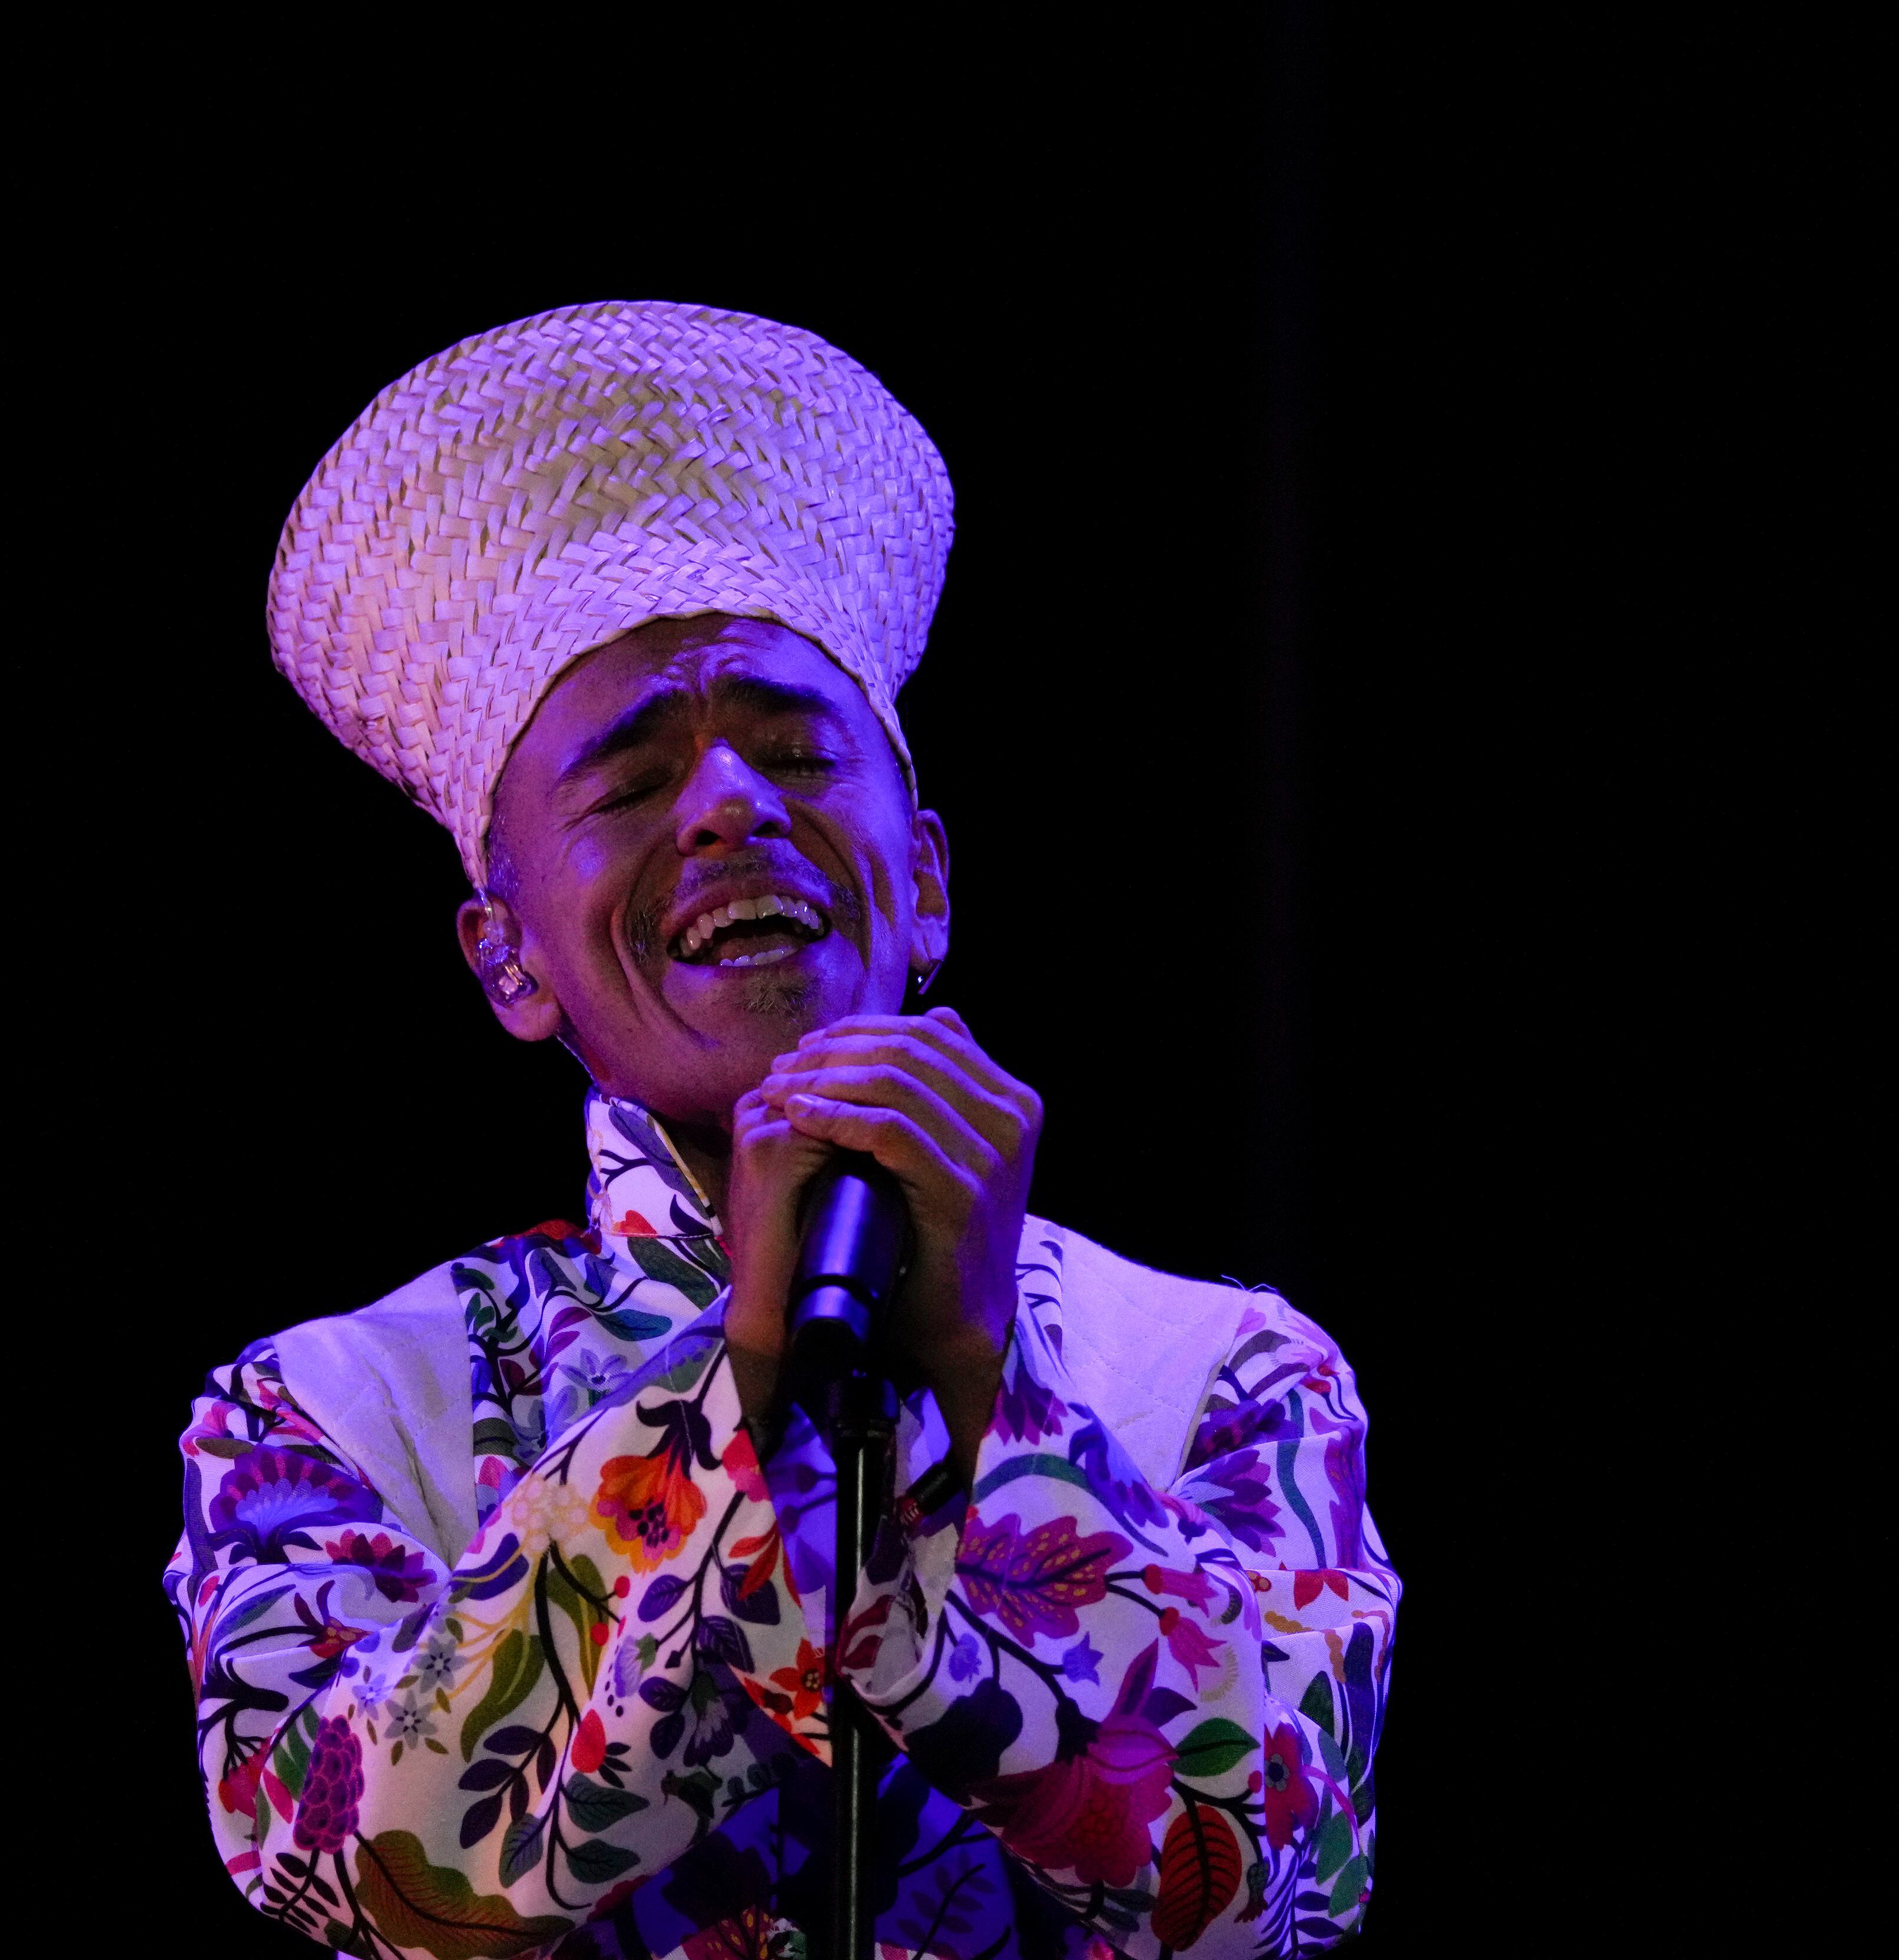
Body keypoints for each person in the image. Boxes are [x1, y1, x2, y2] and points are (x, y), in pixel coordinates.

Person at [167, 302, 1395, 1958]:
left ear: (934, 879)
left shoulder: (1224, 1375)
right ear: (508, 956)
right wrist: (742, 1388)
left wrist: (981, 1389)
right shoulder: (325, 1415)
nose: (734, 804)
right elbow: (381, 1875)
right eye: (624, 783)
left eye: (800, 746)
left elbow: (1284, 1881)